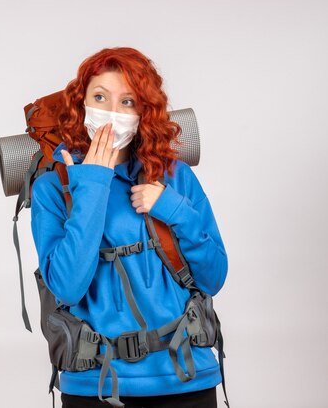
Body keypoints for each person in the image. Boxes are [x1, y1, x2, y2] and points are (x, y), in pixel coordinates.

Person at [30, 47, 228, 408]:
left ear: (143, 113)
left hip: (186, 379)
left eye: (127, 102)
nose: (111, 113)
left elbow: (213, 277)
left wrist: (171, 207)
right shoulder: (52, 189)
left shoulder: (176, 178)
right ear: (80, 104)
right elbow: (68, 288)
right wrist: (92, 182)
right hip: (97, 385)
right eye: (100, 97)